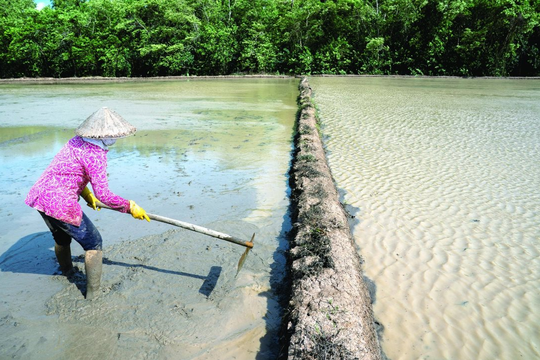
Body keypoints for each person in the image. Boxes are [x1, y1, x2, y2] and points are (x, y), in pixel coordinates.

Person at [25, 107, 150, 300]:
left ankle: (67, 272)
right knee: (93, 243)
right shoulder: (96, 155)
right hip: (60, 203)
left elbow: (68, 172)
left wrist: (86, 195)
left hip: (41, 196)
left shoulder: (75, 142)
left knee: (61, 237)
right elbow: (105, 195)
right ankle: (93, 294)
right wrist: (130, 206)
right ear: (105, 136)